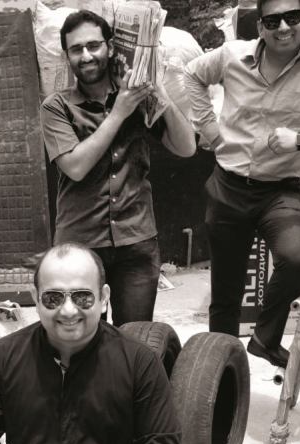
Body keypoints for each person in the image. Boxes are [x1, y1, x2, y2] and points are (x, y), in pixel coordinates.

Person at [184, 0, 300, 367]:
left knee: (296, 257)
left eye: (291, 17)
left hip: (279, 190)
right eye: (272, 21)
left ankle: (265, 339)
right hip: (228, 186)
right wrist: (208, 128)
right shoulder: (232, 55)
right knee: (226, 293)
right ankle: (221, 374)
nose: (283, 27)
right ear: (260, 27)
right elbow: (191, 75)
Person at [40, 10, 196, 326]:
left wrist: (160, 91)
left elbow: (186, 147)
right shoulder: (56, 106)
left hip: (136, 242)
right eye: (76, 49)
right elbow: (75, 167)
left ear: (110, 47)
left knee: (134, 339)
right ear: (67, 56)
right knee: (80, 337)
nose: (86, 56)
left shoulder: (136, 98)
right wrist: (118, 113)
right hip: (80, 245)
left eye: (93, 45)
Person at [0, 242, 180, 444]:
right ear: (36, 299)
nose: (68, 311)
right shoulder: (2, 358)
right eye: (53, 298)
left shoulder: (139, 363)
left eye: (82, 297)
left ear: (104, 298)